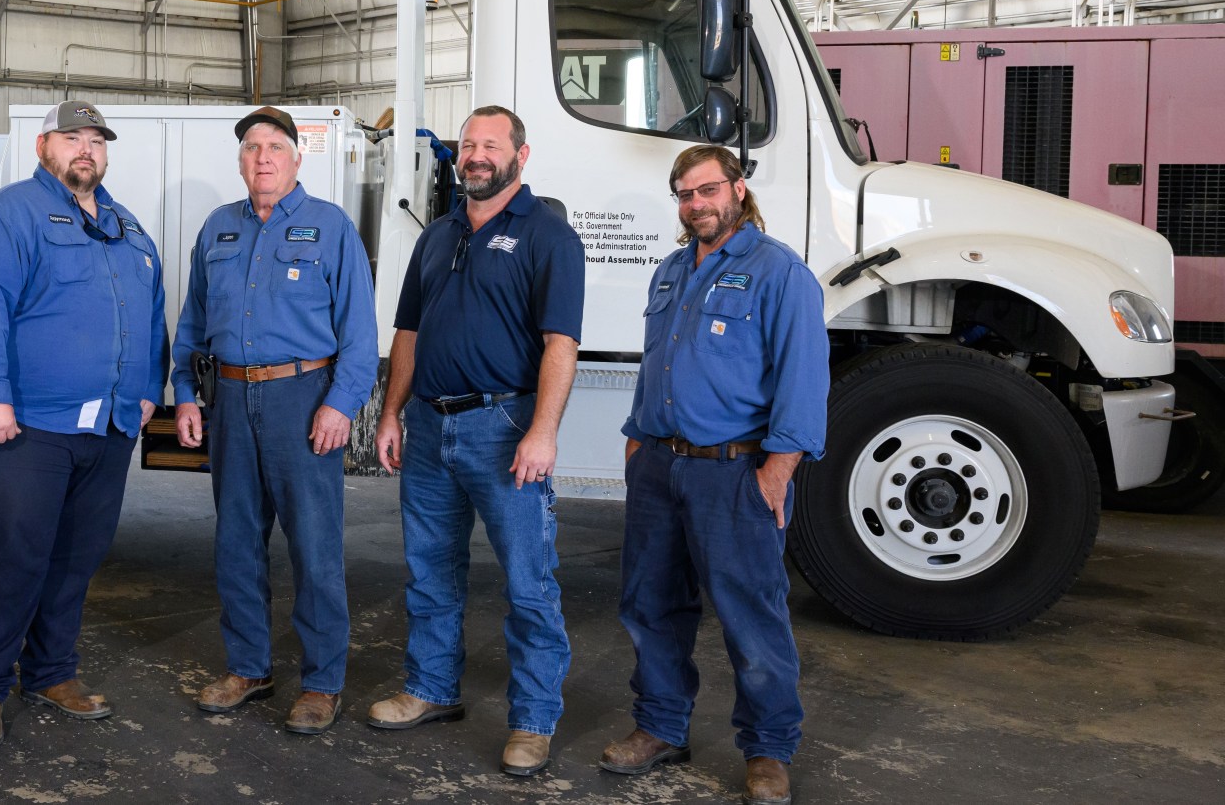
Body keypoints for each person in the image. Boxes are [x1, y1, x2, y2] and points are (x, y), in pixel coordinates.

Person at [599, 145, 827, 805]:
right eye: (684, 194)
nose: (696, 204)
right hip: (659, 467)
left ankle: (767, 750)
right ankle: (661, 726)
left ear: (737, 188)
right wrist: (637, 442)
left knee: (750, 616)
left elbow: (803, 382)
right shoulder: (671, 270)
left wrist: (777, 471)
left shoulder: (778, 271)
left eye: (706, 190)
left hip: (735, 471)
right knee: (650, 606)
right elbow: (656, 366)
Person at [368, 105, 585, 780]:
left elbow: (561, 343)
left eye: (491, 144)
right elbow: (407, 332)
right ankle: (431, 688)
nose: (477, 154)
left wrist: (542, 431)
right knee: (430, 572)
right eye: (469, 144)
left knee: (528, 583)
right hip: (429, 428)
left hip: (504, 429)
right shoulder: (436, 236)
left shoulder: (549, 235)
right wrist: (390, 413)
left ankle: (533, 720)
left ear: (522, 154)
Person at [0, 100, 168, 749]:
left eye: (96, 139)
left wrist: (147, 389)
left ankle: (49, 671)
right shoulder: (8, 215)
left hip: (106, 426)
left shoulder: (127, 227)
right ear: (44, 145)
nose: (86, 148)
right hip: (25, 428)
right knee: (9, 558)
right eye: (72, 137)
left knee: (75, 558)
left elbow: (150, 313)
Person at [171, 107, 378, 735]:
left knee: (314, 547)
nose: (264, 157)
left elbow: (361, 334)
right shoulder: (218, 228)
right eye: (253, 148)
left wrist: (341, 405)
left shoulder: (331, 226)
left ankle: (322, 681)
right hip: (229, 399)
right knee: (236, 541)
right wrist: (184, 392)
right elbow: (192, 321)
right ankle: (249, 667)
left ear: (296, 158)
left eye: (276, 147)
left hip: (303, 398)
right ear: (240, 161)